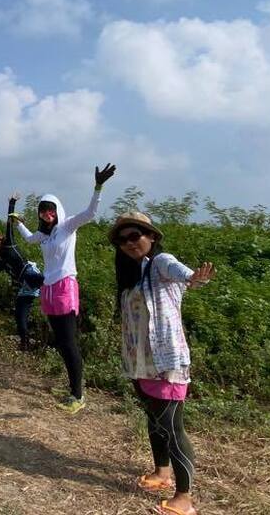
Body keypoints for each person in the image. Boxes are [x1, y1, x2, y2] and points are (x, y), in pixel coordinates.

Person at [110, 211, 214, 515]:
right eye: (122, 239)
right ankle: (161, 473)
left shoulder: (159, 263)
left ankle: (184, 498)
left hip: (166, 363)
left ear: (151, 237)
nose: (129, 243)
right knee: (154, 420)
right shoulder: (131, 275)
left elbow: (179, 271)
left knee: (172, 427)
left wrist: (193, 277)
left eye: (135, 236)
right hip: (140, 363)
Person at [10, 164, 117, 414]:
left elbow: (90, 213)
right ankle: (73, 388)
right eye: (43, 211)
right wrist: (17, 222)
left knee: (69, 343)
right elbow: (28, 239)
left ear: (57, 211)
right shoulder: (45, 235)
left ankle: (78, 396)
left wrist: (98, 187)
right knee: (61, 342)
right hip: (48, 290)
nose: (47, 214)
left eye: (50, 210)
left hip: (65, 287)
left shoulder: (68, 226)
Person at [0, 193, 45, 352]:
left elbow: (9, 224)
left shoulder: (9, 245)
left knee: (46, 281)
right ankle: (25, 342)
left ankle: (58, 284)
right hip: (24, 286)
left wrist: (11, 203)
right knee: (19, 314)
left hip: (31, 275)